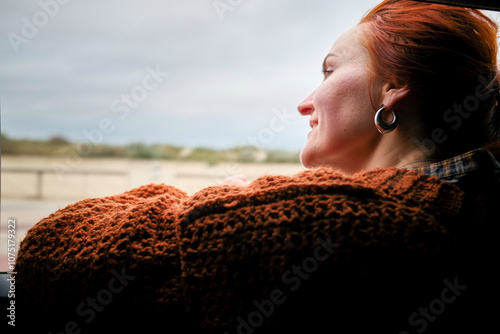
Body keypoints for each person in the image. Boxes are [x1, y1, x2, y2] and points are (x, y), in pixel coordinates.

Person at [15, 1, 500, 333]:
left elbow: (46, 258)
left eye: (330, 71)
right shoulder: (473, 206)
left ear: (396, 84)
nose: (304, 104)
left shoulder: (345, 224)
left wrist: (212, 201)